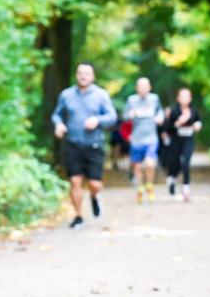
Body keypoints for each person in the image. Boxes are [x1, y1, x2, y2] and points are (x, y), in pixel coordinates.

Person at [51, 62, 117, 229]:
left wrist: (98, 120)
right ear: (76, 75)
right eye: (80, 73)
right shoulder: (66, 95)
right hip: (73, 144)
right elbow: (56, 115)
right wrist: (58, 125)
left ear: (92, 76)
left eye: (87, 73)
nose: (83, 76)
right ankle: (78, 216)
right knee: (75, 181)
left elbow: (112, 116)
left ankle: (95, 196)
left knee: (95, 184)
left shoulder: (101, 95)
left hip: (94, 145)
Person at [123, 77, 164, 204]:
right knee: (138, 166)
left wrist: (160, 118)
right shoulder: (131, 100)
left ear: (149, 87)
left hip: (151, 137)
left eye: (145, 86)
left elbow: (160, 112)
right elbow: (124, 116)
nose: (143, 88)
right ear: (137, 88)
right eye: (140, 86)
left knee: (150, 163)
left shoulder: (154, 99)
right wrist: (130, 115)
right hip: (136, 138)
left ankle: (149, 186)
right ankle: (140, 188)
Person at [164, 87, 202, 201]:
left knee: (186, 163)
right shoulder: (173, 111)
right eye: (182, 97)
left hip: (188, 140)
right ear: (178, 98)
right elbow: (167, 128)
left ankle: (186, 189)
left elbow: (198, 121)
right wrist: (178, 122)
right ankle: (171, 179)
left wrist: (198, 125)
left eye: (187, 97)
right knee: (175, 163)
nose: (185, 99)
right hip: (176, 140)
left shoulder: (194, 110)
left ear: (190, 99)